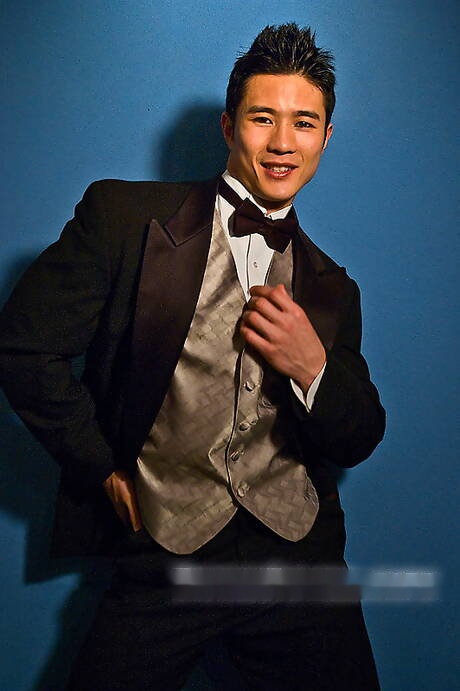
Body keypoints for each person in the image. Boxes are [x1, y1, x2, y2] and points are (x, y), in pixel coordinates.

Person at [0, 23, 385, 691]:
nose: (284, 142)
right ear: (229, 126)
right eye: (263, 118)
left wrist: (312, 368)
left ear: (326, 137)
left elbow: (360, 435)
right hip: (163, 555)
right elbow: (23, 346)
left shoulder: (333, 286)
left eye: (304, 123)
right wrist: (98, 464)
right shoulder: (123, 220)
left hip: (296, 562)